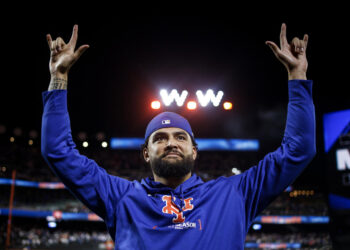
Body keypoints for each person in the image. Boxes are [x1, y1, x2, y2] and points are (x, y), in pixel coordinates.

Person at [41, 23, 315, 249]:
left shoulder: (233, 194)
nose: (171, 142)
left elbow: (298, 149)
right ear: (146, 152)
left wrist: (297, 75)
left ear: (194, 151)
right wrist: (59, 77)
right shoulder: (121, 197)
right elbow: (58, 151)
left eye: (181, 137)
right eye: (159, 138)